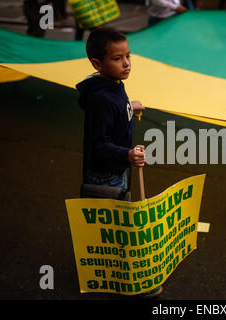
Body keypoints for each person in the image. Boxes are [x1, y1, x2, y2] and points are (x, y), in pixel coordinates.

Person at [75, 28, 162, 298]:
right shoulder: (101, 98)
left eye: (128, 55)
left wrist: (129, 106)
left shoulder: (112, 85)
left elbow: (117, 107)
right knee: (118, 227)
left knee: (114, 226)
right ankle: (127, 279)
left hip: (114, 169)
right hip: (106, 174)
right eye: (117, 58)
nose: (126, 63)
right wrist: (126, 155)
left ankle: (114, 268)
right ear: (97, 64)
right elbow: (98, 145)